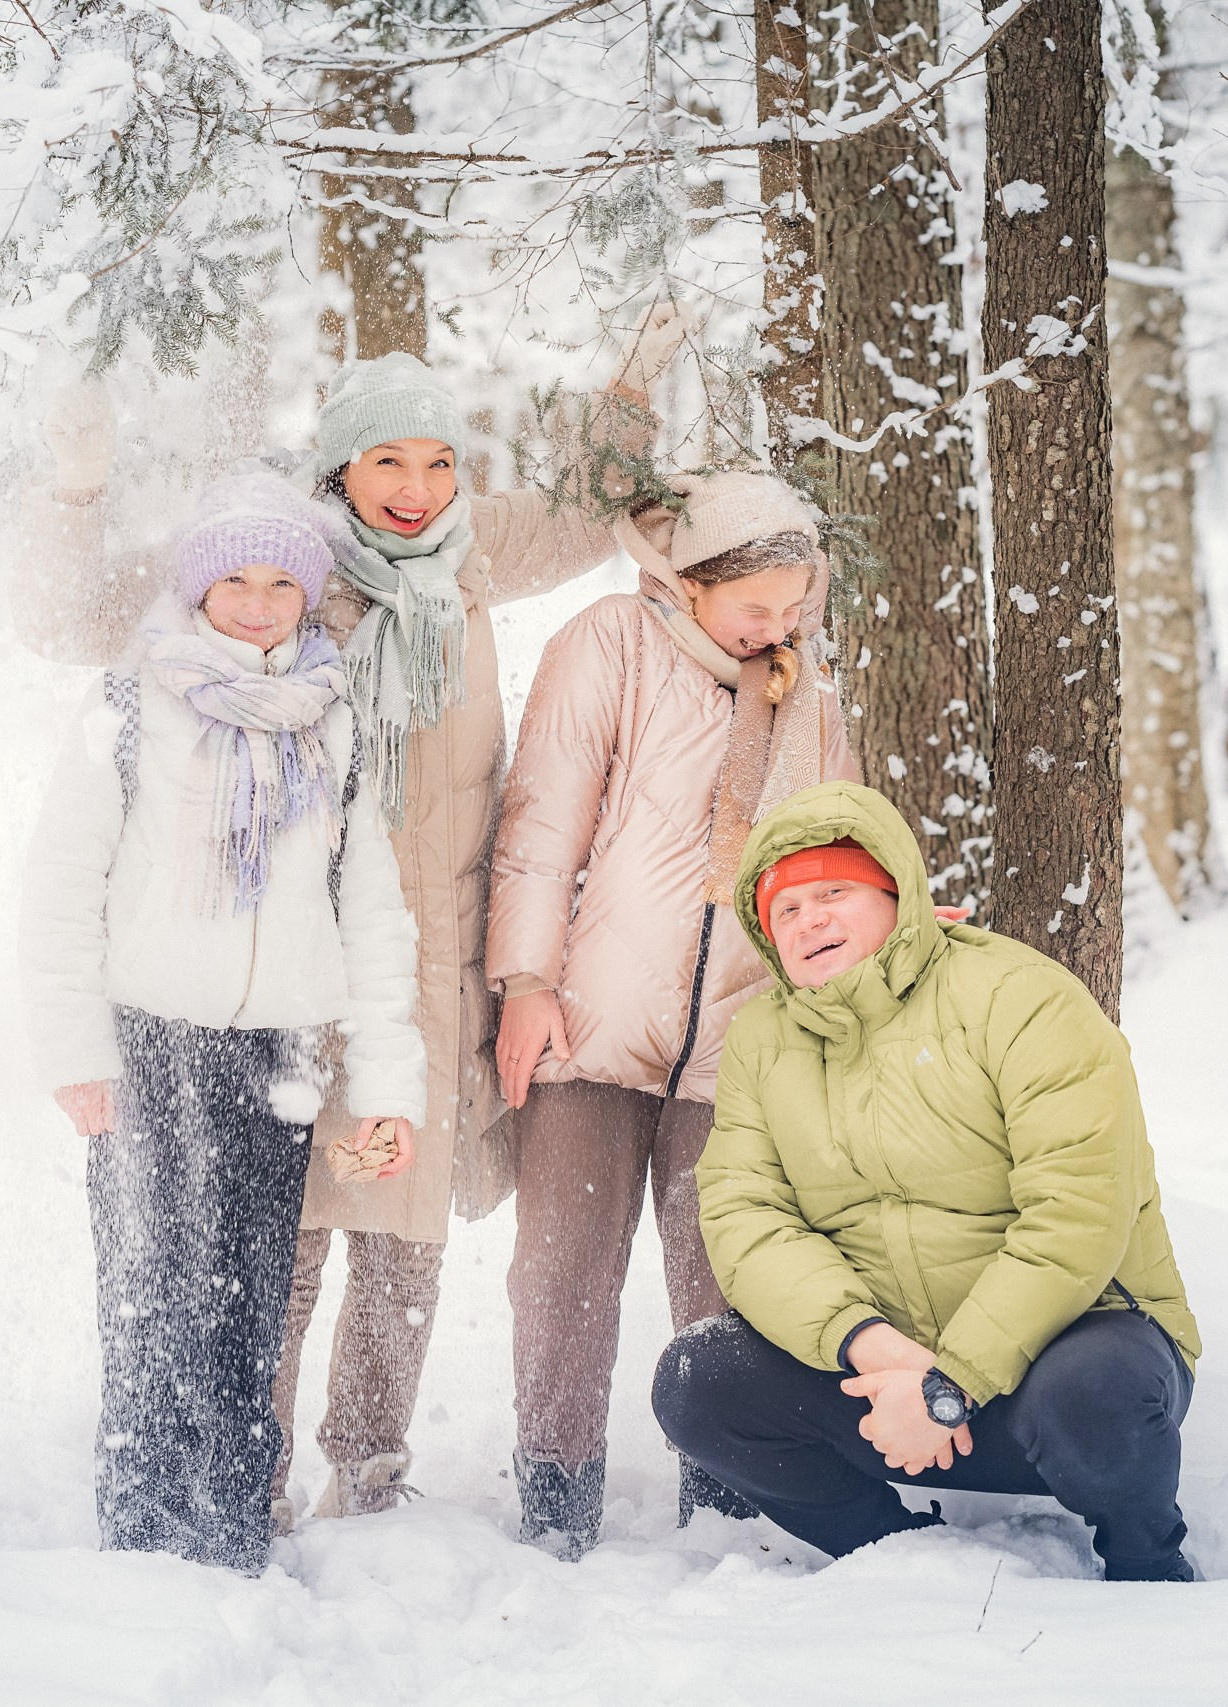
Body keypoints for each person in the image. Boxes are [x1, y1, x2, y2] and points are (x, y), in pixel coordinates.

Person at [11, 310, 689, 1528]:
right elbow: (73, 622)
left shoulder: (478, 556)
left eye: (437, 461)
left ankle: (368, 1471)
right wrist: (76, 488)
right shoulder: (283, 568)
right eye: (387, 462)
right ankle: (250, 1471)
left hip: (446, 945)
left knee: (408, 1223)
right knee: (295, 1218)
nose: (416, 489)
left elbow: (596, 511)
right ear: (339, 470)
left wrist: (630, 394)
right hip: (302, 954)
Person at [17, 473, 424, 1573]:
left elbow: (372, 913)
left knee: (245, 1312)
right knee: (149, 1300)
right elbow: (62, 884)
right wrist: (74, 1054)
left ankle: (229, 1536)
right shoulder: (129, 706)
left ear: (308, 592)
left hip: (278, 1053)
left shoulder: (331, 719)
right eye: (235, 580)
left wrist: (385, 1080)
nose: (256, 603)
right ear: (199, 588)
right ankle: (144, 1541)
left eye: (281, 582)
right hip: (146, 1041)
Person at [651, 782, 1203, 1583]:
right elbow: (748, 1219)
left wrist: (950, 1385)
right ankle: (898, 1560)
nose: (811, 921)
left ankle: (1147, 1560)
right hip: (888, 1389)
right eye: (788, 911)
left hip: (1064, 1356)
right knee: (698, 1380)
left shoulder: (1020, 998)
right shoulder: (764, 1041)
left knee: (1094, 1399)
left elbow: (1076, 1215)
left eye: (833, 891)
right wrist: (874, 1348)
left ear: (895, 893)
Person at [487, 471, 858, 1557]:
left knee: (728, 1276)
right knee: (561, 1271)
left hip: (737, 1045)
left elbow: (833, 852)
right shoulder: (609, 641)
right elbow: (540, 821)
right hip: (586, 1027)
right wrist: (523, 983)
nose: (777, 630)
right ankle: (555, 1494)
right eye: (755, 609)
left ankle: (730, 1495)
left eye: (796, 610)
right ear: (686, 582)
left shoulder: (805, 688)